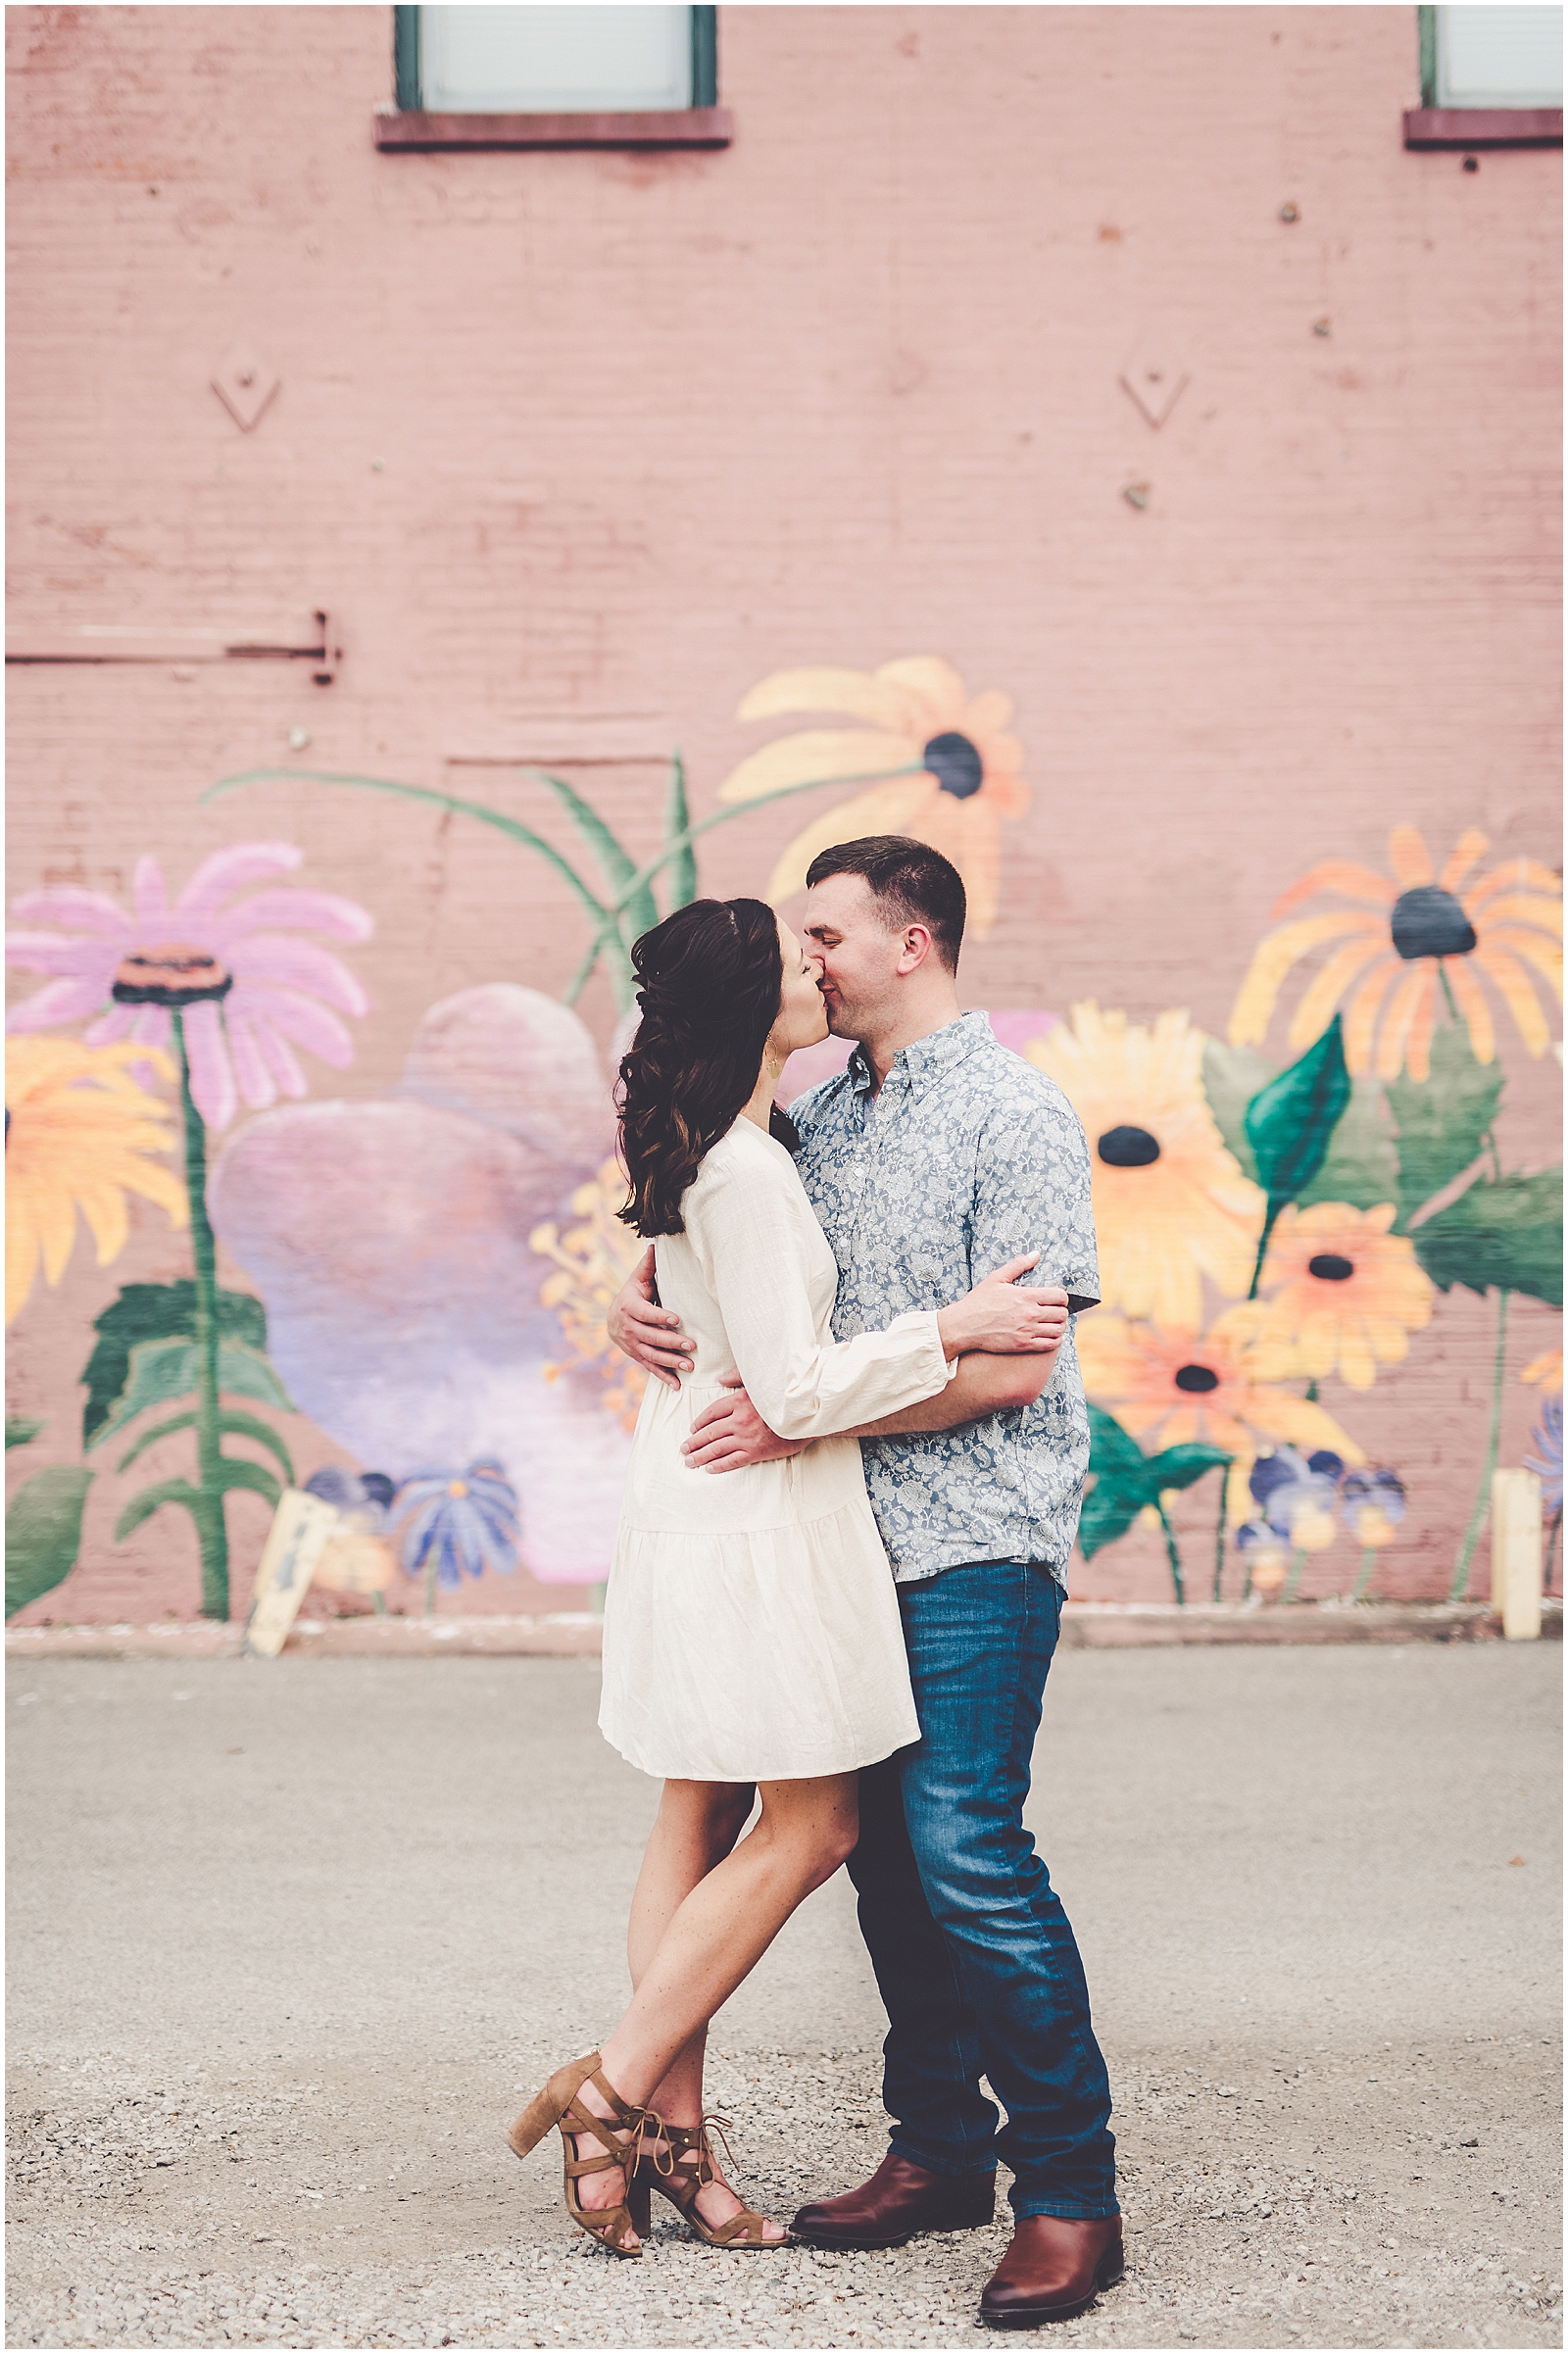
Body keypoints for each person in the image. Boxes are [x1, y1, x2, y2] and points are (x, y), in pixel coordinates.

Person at [509, 894, 1069, 2263]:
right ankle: (615, 2089)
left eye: (830, 939)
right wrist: (959, 1321)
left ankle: (672, 2141)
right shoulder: (752, 1167)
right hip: (751, 1513)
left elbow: (724, 1310)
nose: (814, 968)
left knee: (695, 1809)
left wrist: (665, 1297)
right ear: (751, 1000)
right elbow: (799, 1384)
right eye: (793, 951)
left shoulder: (743, 1143)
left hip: (703, 1498)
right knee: (812, 1828)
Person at [609, 837, 1123, 2329]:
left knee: (964, 1848)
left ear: (913, 941)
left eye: (826, 934)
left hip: (972, 1537)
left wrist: (792, 1409)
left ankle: (1070, 2193)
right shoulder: (816, 1115)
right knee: (887, 1866)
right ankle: (941, 2150)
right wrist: (634, 1299)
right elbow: (725, 1245)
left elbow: (1016, 1361)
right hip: (830, 1545)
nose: (807, 961)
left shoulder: (1016, 1110)